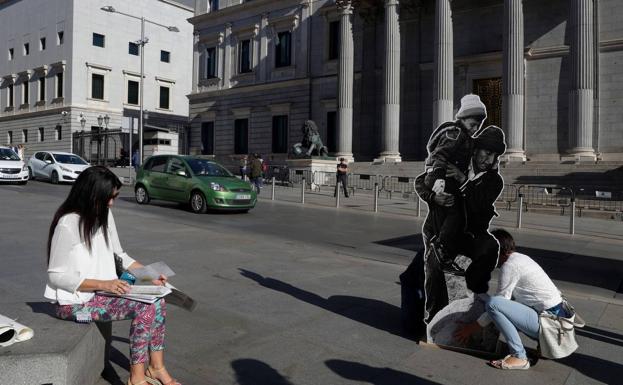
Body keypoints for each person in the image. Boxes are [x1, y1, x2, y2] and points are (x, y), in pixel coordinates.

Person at [44, 166, 181, 385]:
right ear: (91, 195)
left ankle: (156, 368)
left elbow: (120, 255)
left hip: (103, 292)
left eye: (114, 197)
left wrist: (150, 275)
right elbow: (55, 276)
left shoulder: (104, 214)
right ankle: (136, 378)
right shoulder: (67, 224)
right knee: (144, 308)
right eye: (108, 198)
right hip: (74, 302)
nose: (111, 203)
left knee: (158, 301)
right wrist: (104, 284)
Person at [415, 125, 506, 322]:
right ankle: (434, 317)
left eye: (494, 156)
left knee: (490, 247)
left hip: (470, 235)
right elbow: (421, 181)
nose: (489, 160)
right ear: (475, 149)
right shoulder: (456, 162)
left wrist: (462, 179)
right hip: (440, 231)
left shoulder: (494, 181)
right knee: (434, 267)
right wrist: (432, 196)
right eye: (487, 153)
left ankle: (474, 299)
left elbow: (478, 202)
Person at [454, 229, 571, 370]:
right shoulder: (521, 258)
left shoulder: (510, 266)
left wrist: (470, 328)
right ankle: (543, 347)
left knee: (493, 305)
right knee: (497, 309)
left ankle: (519, 356)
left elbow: (497, 304)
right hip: (558, 323)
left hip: (551, 327)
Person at [423, 94, 487, 273]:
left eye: (478, 125)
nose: (475, 129)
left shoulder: (465, 136)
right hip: (441, 177)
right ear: (463, 118)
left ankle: (443, 248)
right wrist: (439, 179)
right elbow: (439, 156)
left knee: (458, 215)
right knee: (455, 212)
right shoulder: (455, 133)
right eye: (473, 124)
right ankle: (440, 247)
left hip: (450, 178)